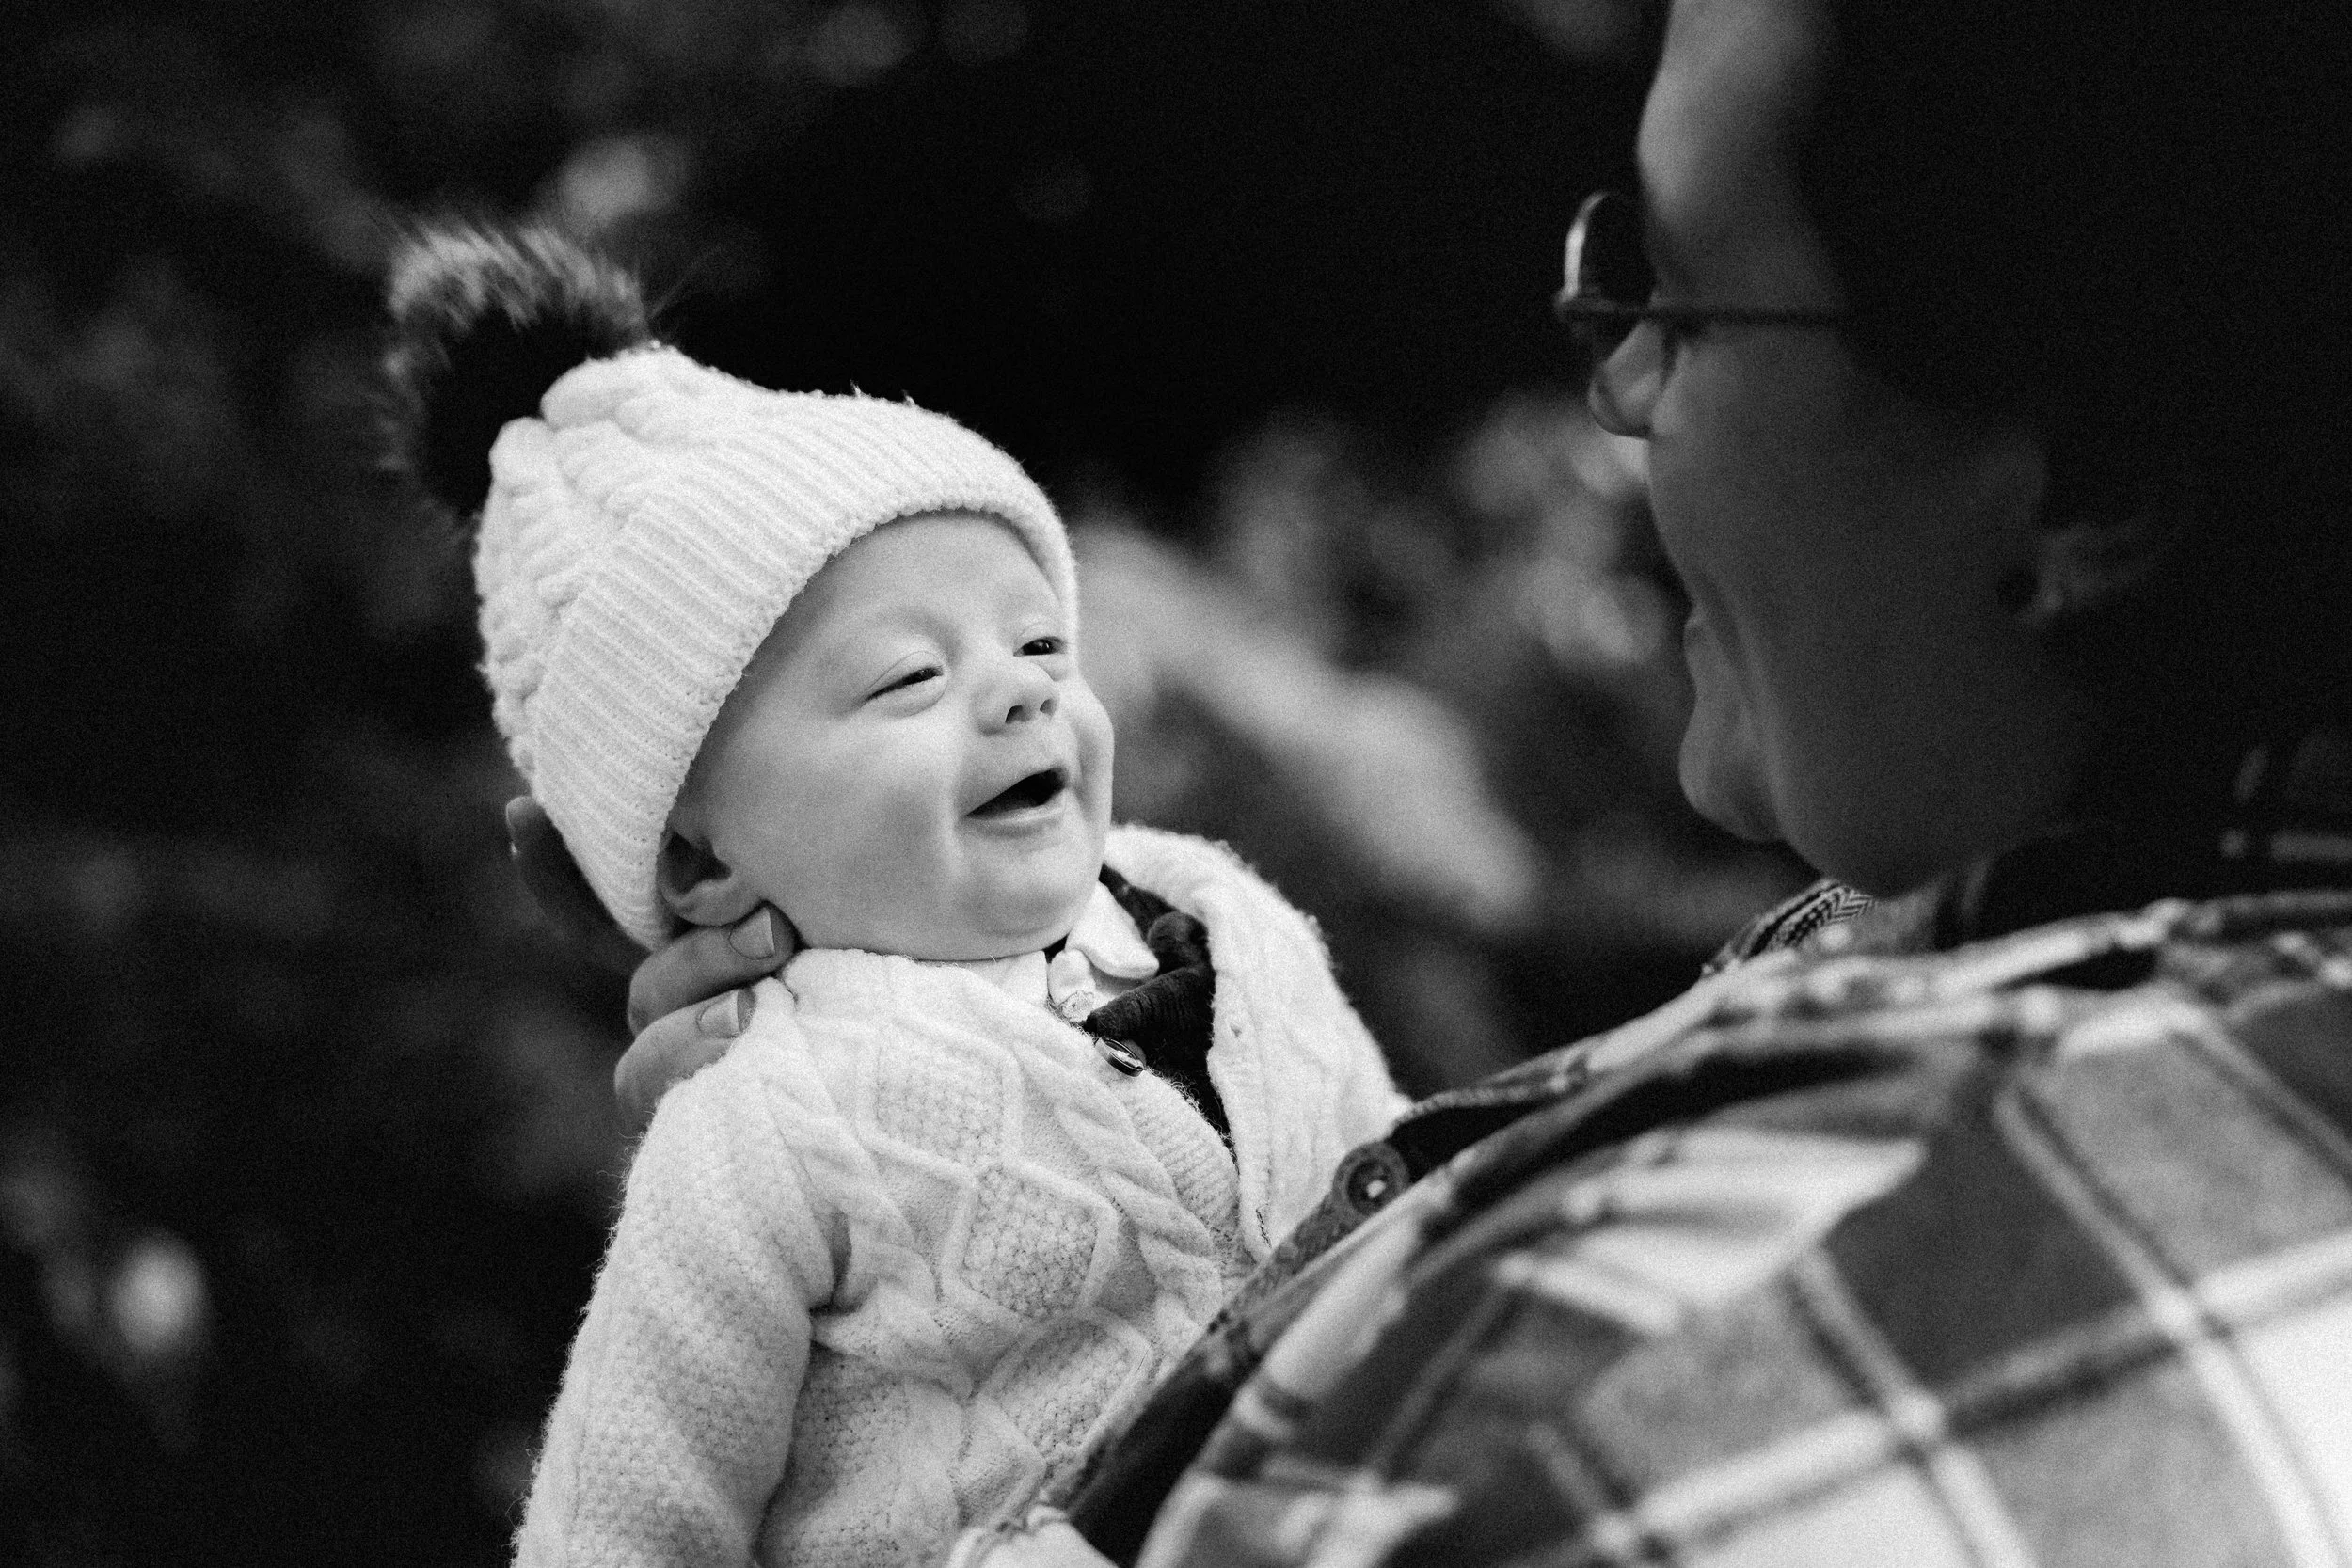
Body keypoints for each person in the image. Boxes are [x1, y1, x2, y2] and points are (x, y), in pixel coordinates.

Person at [554, 0, 2352, 1559]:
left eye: (1683, 299)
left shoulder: (1594, 1410)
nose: (1613, 392)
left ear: (2092, 484)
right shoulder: (2035, 976)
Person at [384, 227, 1404, 1567]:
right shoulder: (765, 1126)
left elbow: (1424, 1200)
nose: (1024, 687)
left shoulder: (1236, 926)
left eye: (1042, 641)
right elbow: (619, 1525)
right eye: (907, 679)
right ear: (702, 863)